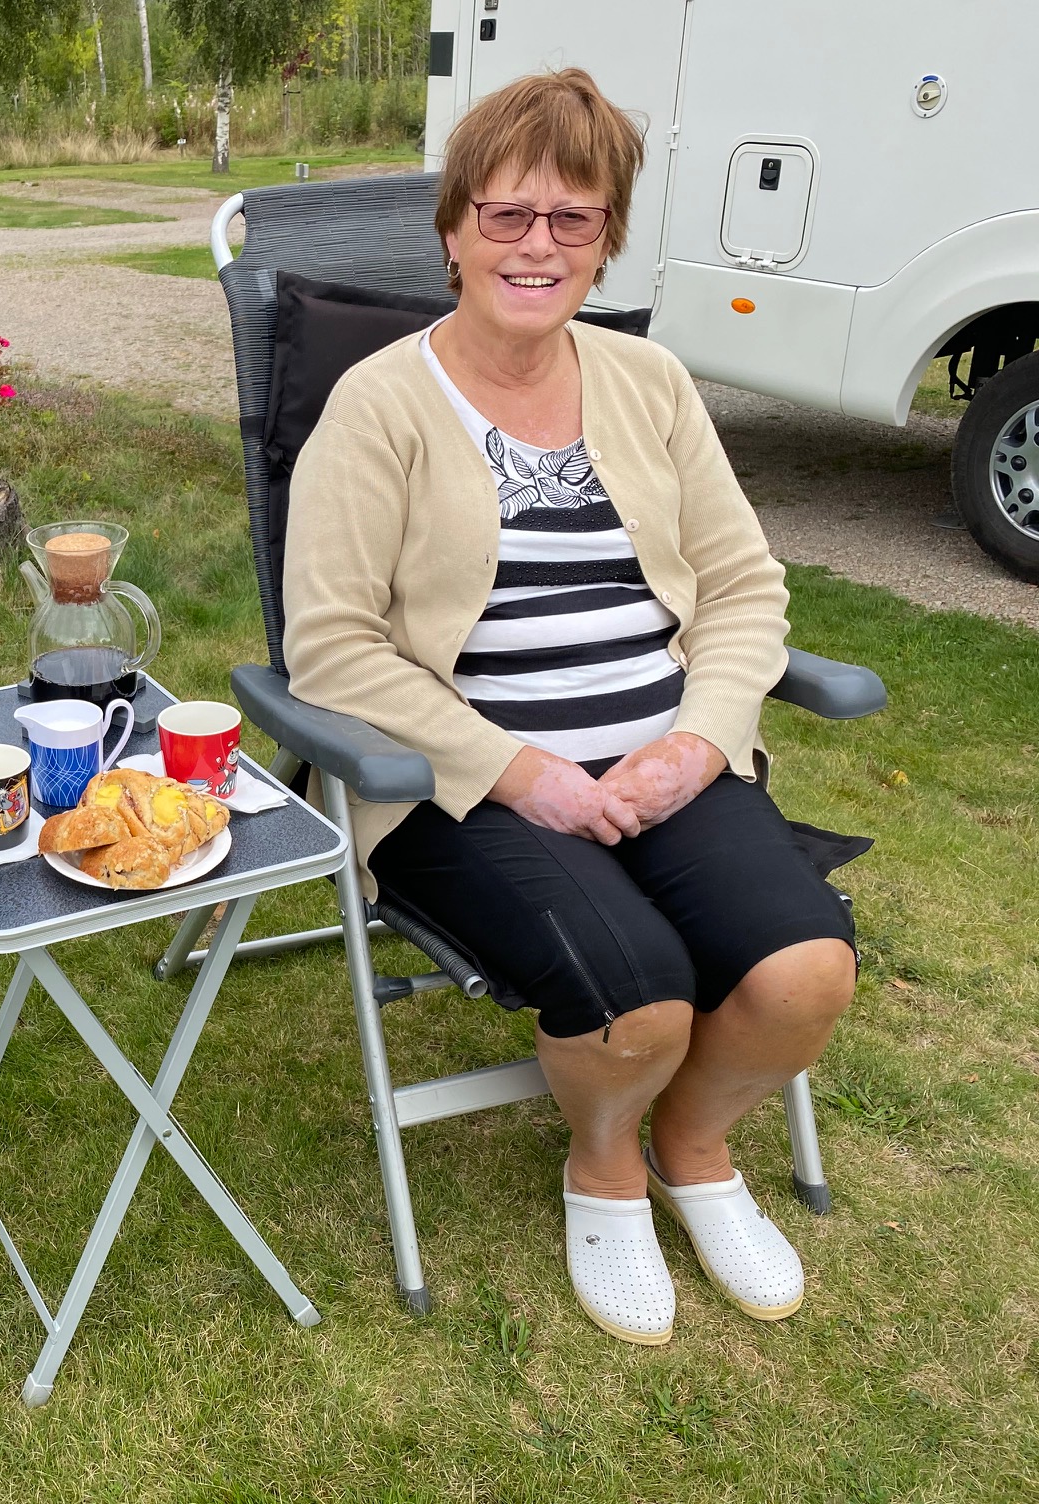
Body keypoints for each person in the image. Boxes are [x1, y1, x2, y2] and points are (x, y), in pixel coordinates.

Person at [283, 68, 859, 1346]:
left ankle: (692, 1145)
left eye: (573, 218)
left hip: (668, 764)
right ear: (454, 231)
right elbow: (331, 648)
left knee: (806, 974)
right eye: (506, 213)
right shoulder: (377, 407)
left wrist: (698, 744)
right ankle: (603, 1165)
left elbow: (743, 588)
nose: (536, 245)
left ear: (605, 242)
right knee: (635, 995)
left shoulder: (651, 383)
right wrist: (519, 770)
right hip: (467, 786)